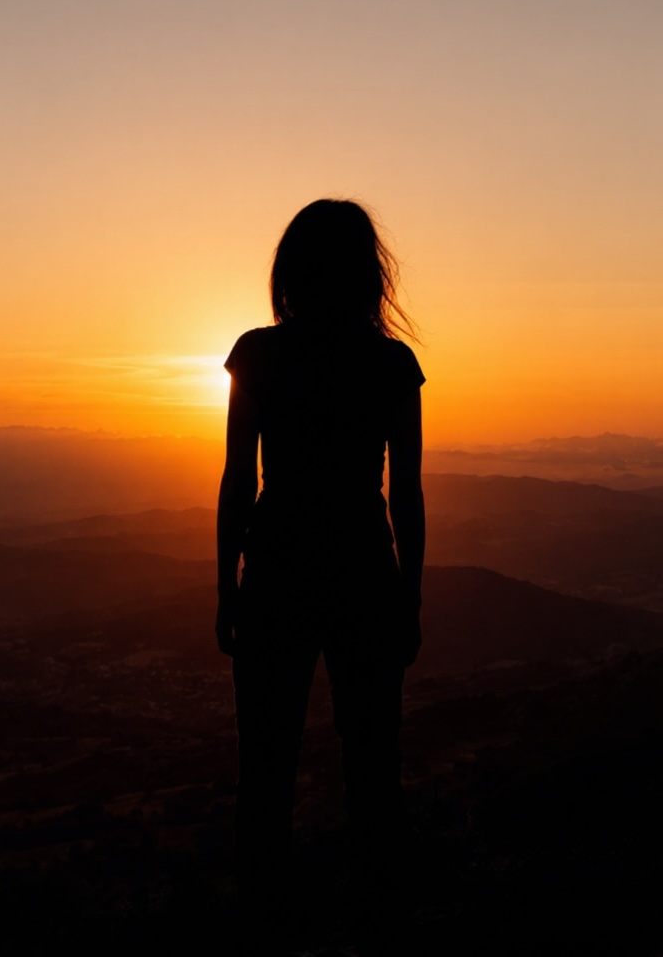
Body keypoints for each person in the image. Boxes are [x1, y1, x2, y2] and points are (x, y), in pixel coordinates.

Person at [215, 199, 425, 953]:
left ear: (292, 270)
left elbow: (239, 481)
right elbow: (405, 493)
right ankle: (379, 918)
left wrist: (225, 587)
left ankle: (264, 923)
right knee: (374, 763)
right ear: (369, 272)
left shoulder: (259, 355)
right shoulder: (392, 364)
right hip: (367, 568)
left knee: (264, 766)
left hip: (275, 567)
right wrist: (411, 597)